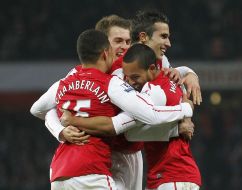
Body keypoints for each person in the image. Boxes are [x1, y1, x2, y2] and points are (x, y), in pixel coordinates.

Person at [30, 13, 199, 190]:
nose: (124, 47)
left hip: (131, 154)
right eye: (118, 41)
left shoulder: (132, 63)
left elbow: (162, 73)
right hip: (103, 153)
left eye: (128, 41)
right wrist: (61, 131)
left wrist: (189, 73)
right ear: (103, 45)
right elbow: (48, 107)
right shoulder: (96, 77)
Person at [61, 44, 201, 190]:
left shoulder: (153, 90)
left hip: (173, 175)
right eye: (126, 77)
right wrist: (190, 73)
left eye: (135, 77)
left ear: (152, 69)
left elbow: (130, 131)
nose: (130, 82)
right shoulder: (168, 78)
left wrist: (73, 121)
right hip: (167, 175)